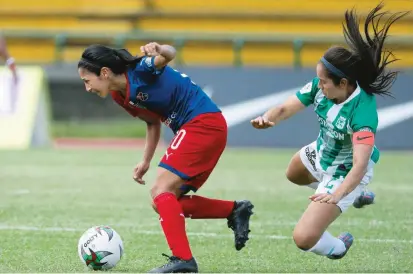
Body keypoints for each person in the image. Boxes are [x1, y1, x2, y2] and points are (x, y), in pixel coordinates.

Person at [78, 42, 254, 273]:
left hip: (203, 123)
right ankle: (232, 210)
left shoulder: (141, 69)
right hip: (196, 127)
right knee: (161, 201)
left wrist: (160, 48)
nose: (87, 88)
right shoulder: (120, 96)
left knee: (160, 190)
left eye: (87, 81)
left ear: (104, 72)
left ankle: (183, 260)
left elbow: (170, 54)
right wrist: (145, 161)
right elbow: (151, 122)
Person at [251, 3, 407, 259]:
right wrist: (267, 119)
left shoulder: (362, 111)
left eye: (324, 82)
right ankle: (354, 195)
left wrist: (336, 194)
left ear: (343, 83)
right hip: (322, 152)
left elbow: (359, 164)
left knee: (303, 238)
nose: (318, 85)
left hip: (346, 169)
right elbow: (285, 107)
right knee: (293, 172)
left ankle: (339, 246)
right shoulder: (320, 87)